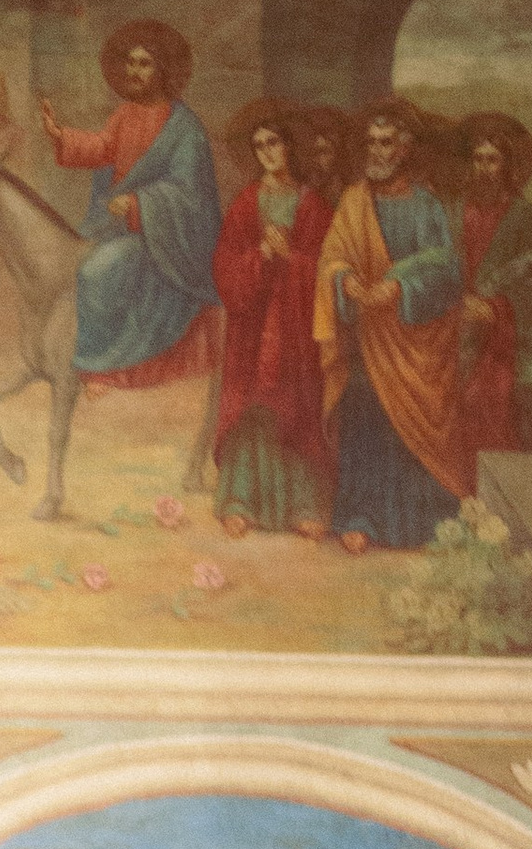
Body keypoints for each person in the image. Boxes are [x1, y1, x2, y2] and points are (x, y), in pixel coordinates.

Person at [315, 99, 469, 554]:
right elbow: (332, 257)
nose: (377, 152)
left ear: (405, 150)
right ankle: (359, 518)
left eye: (387, 143)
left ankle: (419, 524)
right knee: (365, 418)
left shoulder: (426, 205)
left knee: (413, 430)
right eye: (372, 143)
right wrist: (346, 281)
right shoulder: (353, 201)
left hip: (414, 342)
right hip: (367, 337)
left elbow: (446, 269)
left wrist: (398, 288)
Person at [38, 21, 221, 394]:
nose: (134, 71)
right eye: (131, 62)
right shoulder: (125, 114)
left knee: (96, 271)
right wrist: (63, 138)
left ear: (163, 70)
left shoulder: (185, 129)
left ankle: (99, 366)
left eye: (145, 63)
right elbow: (103, 147)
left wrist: (139, 203)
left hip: (162, 238)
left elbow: (191, 197)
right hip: (116, 225)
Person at [212, 102, 332, 538]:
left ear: (289, 146)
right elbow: (224, 265)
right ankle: (239, 500)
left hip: (297, 327)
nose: (266, 152)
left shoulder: (313, 205)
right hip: (255, 324)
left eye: (273, 142)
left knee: (296, 406)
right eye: (258, 145)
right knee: (253, 406)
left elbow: (329, 266)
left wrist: (293, 260)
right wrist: (260, 256)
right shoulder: (247, 202)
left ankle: (303, 505)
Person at [454, 113, 532, 458]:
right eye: (478, 159)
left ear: (507, 166)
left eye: (492, 160)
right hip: (457, 332)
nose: (484, 168)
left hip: (504, 343)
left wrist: (495, 309)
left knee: (497, 418)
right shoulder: (455, 212)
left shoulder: (524, 216)